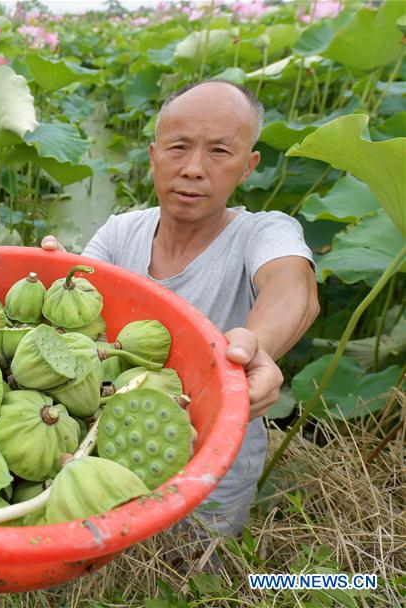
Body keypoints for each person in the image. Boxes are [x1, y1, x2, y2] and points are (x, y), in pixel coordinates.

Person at [42, 80, 319, 536]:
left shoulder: (263, 232)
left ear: (249, 166)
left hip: (212, 480)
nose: (193, 168)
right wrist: (48, 282)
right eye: (179, 147)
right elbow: (74, 306)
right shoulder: (119, 232)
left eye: (219, 152)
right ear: (153, 155)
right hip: (105, 457)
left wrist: (257, 346)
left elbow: (294, 288)